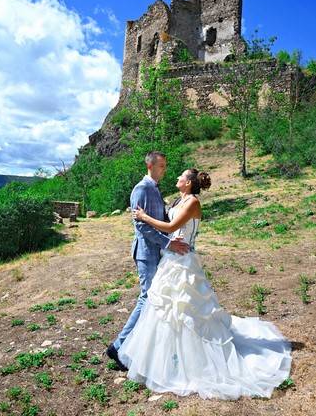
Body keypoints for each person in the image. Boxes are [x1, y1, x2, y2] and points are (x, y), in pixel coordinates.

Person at [118, 168, 292, 399]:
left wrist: (143, 217)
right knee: (166, 309)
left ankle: (193, 363)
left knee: (187, 310)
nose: (177, 178)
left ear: (189, 183)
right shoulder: (180, 199)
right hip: (171, 259)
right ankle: (168, 359)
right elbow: (169, 222)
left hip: (183, 261)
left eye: (181, 176)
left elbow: (170, 228)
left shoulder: (193, 203)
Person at [106, 151, 190, 370]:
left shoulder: (154, 188)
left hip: (157, 251)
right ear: (150, 166)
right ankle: (118, 346)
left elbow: (158, 220)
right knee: (147, 298)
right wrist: (168, 243)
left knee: (154, 297)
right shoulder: (142, 188)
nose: (165, 169)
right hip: (146, 252)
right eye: (161, 166)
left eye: (165, 165)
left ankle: (141, 346)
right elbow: (141, 226)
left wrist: (174, 234)